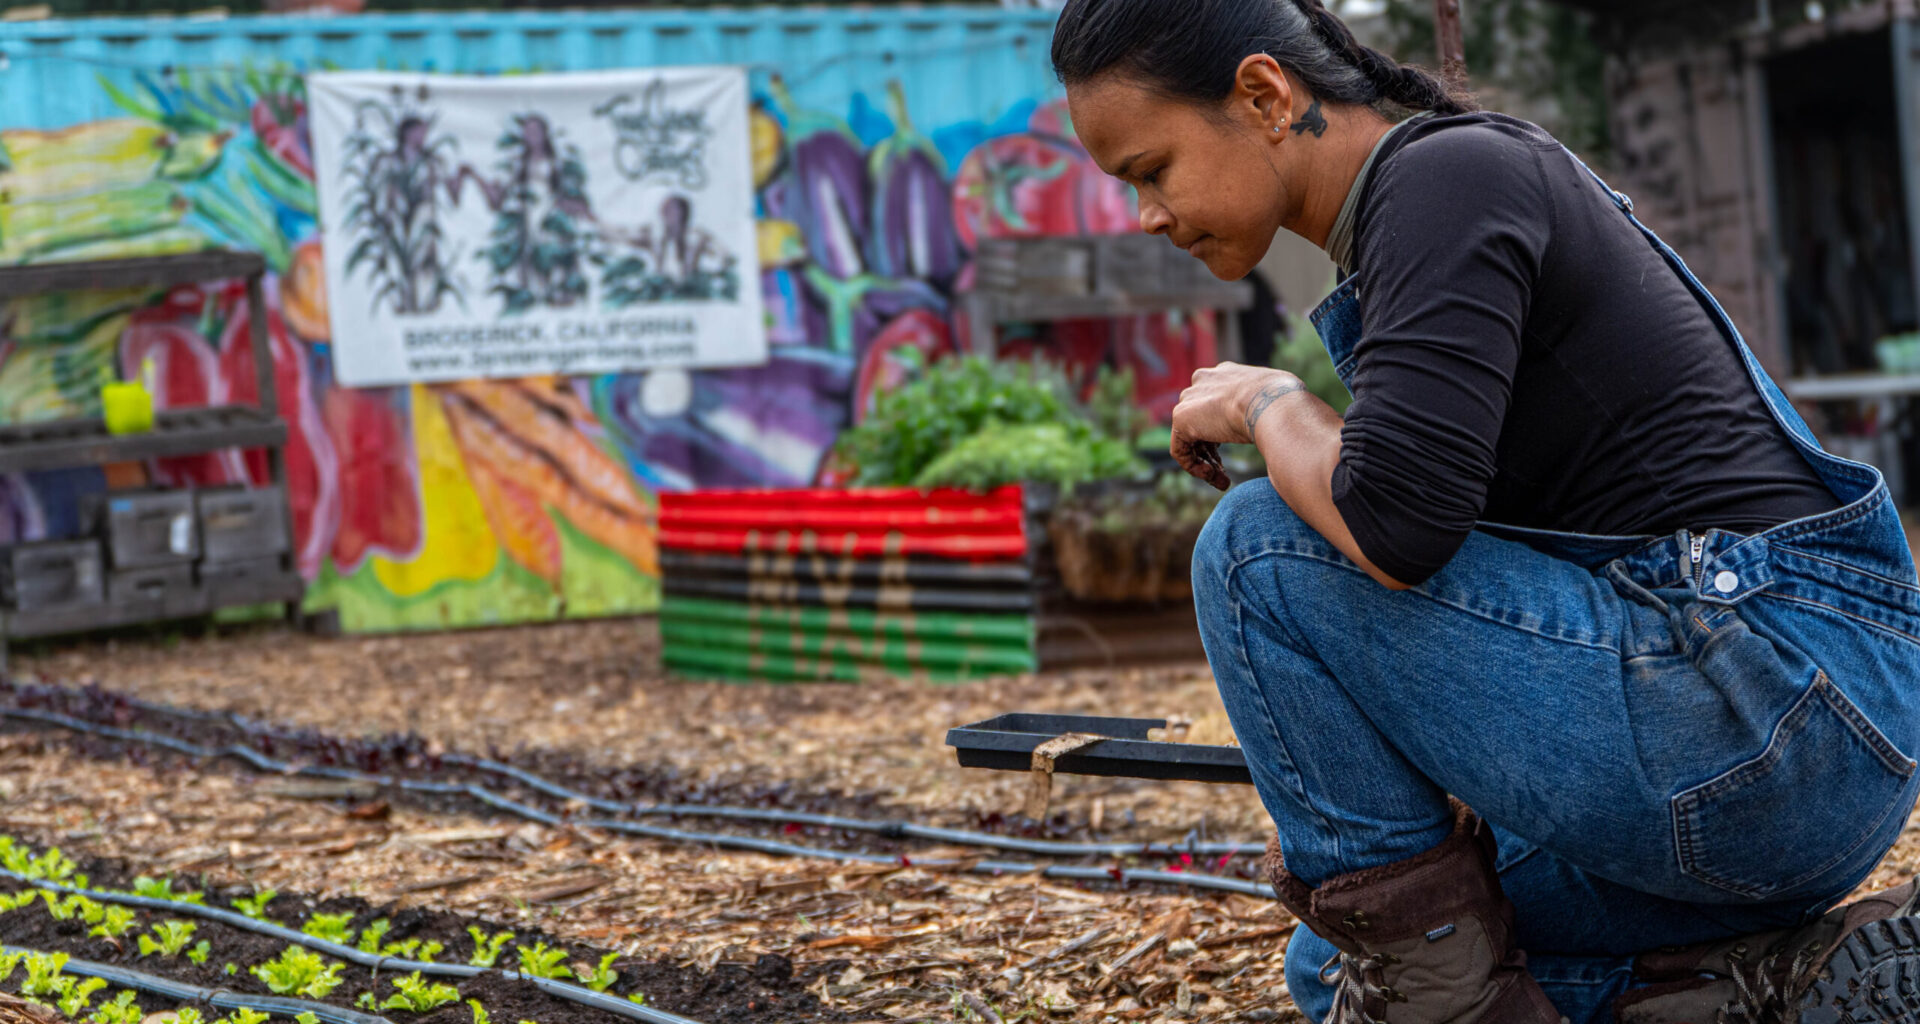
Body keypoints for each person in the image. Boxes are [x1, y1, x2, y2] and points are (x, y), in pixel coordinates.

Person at [1050, 2, 1920, 1023]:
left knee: (1254, 554)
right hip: (1793, 754)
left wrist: (1264, 402)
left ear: (1263, 94)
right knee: (1336, 966)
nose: (1147, 213)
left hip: (1761, 714)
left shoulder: (1444, 180)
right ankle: (1773, 988)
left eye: (1151, 169)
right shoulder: (1417, 219)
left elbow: (1395, 528)